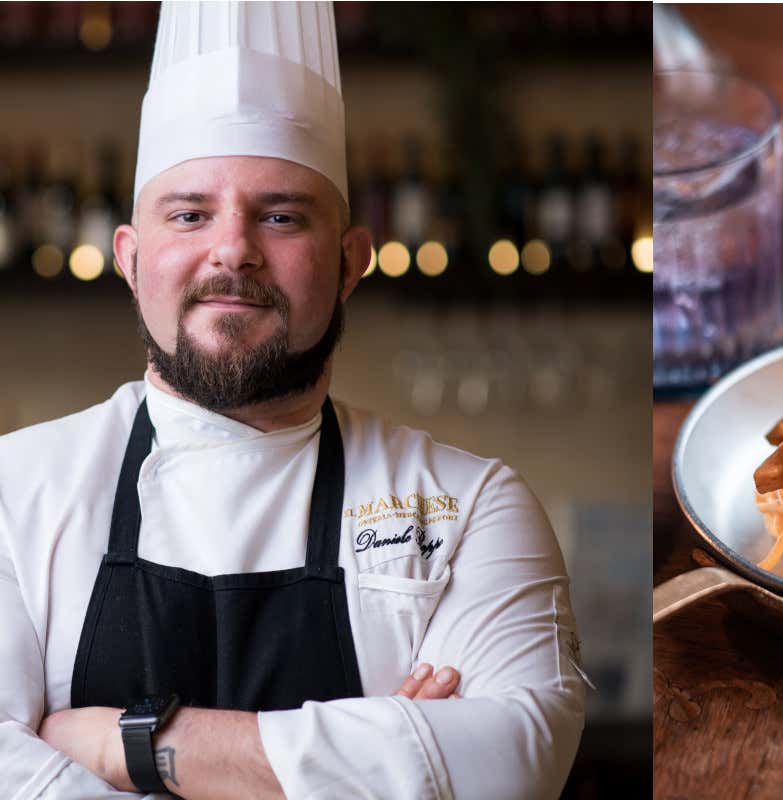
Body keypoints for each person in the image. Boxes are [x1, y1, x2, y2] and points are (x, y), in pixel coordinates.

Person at [0, 3, 586, 798]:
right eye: (190, 214)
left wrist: (128, 745)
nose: (233, 248)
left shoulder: (471, 505)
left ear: (350, 262)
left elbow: (514, 765)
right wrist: (373, 759)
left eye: (280, 215)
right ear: (132, 261)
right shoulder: (14, 491)